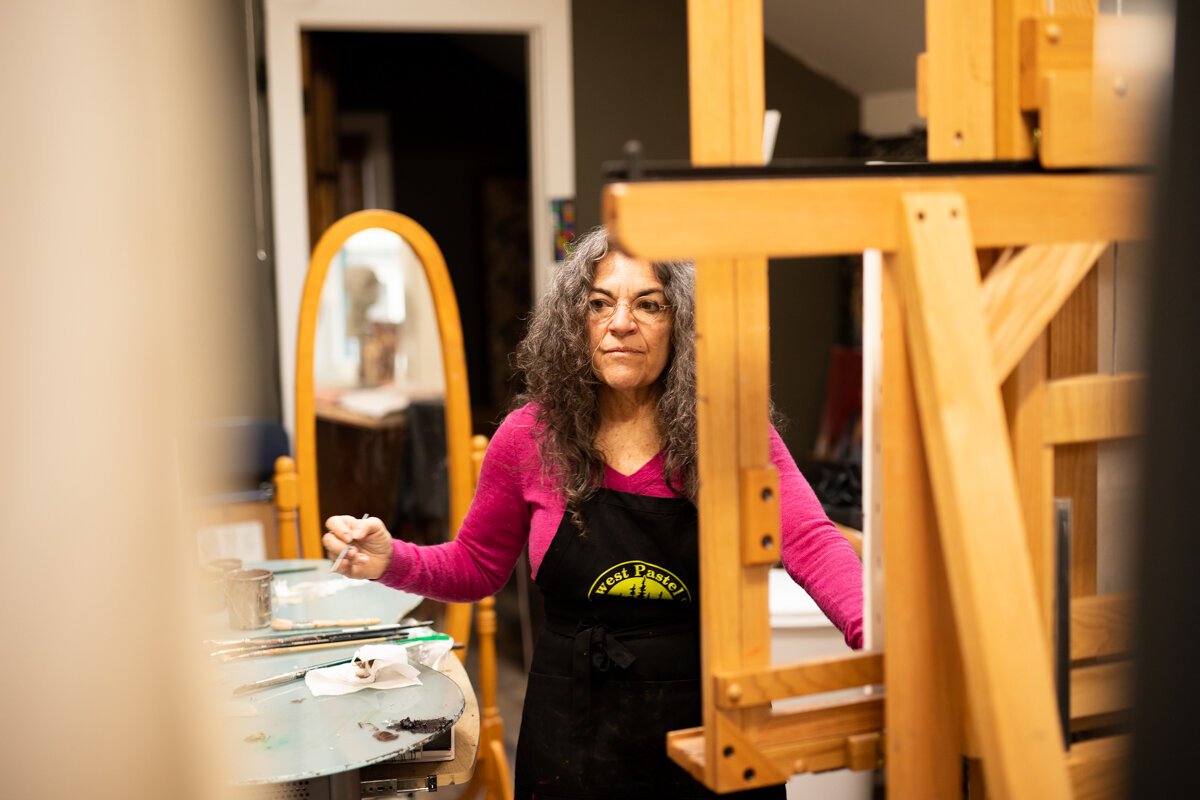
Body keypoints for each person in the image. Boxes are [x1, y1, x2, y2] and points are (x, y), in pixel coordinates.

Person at [324, 226, 864, 799]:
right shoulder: (529, 437)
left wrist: (877, 635)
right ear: (574, 323)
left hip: (710, 718)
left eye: (649, 304)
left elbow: (810, 539)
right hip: (571, 726)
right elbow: (476, 565)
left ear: (682, 322)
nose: (621, 323)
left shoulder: (728, 434)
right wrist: (392, 560)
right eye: (600, 303)